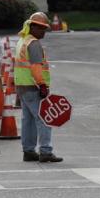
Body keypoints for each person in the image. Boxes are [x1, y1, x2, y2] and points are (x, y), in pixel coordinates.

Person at [14, 11, 62, 163]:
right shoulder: (33, 44)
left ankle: (28, 151)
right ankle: (46, 151)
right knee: (44, 119)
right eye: (41, 28)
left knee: (28, 120)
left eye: (45, 28)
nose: (44, 32)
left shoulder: (22, 41)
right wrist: (42, 85)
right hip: (33, 86)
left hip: (22, 86)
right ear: (32, 27)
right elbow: (35, 67)